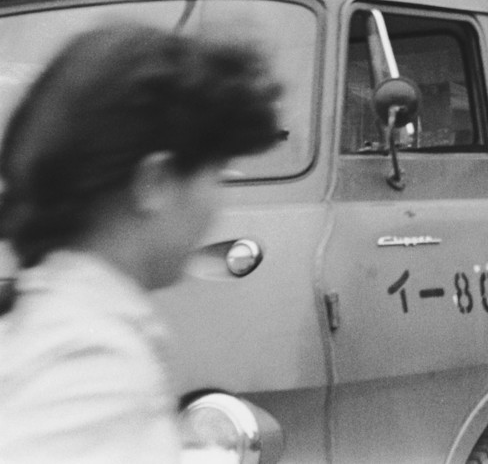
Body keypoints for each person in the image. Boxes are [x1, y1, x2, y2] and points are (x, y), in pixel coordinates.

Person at [0, 25, 282, 464]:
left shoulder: (56, 324)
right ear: (155, 182)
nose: (216, 205)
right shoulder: (91, 362)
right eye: (216, 174)